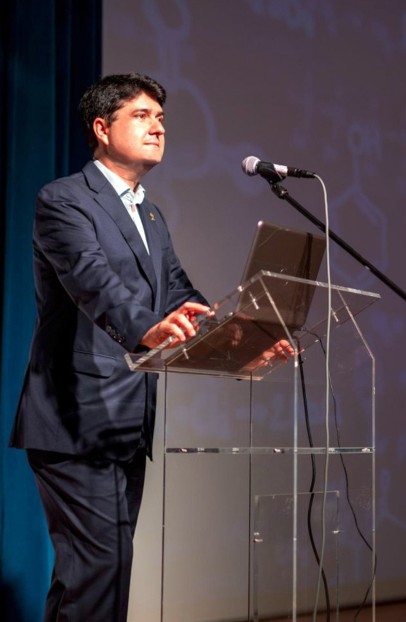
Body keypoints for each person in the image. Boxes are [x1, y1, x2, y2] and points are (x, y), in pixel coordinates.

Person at [9, 73, 210, 621]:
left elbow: (179, 290)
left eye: (161, 118)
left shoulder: (148, 212)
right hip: (75, 420)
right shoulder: (64, 199)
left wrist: (241, 336)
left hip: (126, 421)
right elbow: (91, 280)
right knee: (97, 575)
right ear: (102, 128)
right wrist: (147, 327)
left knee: (97, 576)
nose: (157, 126)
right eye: (141, 116)